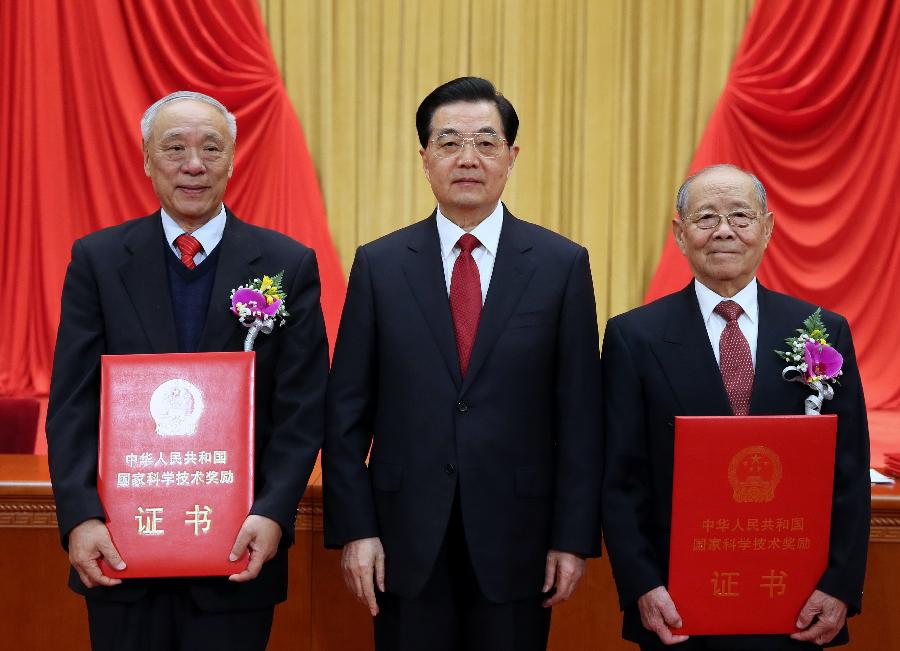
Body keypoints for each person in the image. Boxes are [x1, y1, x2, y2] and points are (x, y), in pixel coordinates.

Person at [323, 76, 603, 651]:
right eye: (448, 142)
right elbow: (345, 412)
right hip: (403, 542)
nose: (467, 158)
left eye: (485, 142)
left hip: (521, 541)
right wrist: (357, 529)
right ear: (424, 158)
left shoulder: (560, 265)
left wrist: (571, 538)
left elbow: (580, 415)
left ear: (511, 157)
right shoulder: (379, 266)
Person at [46, 90, 329, 650]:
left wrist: (273, 514)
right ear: (148, 160)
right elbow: (73, 403)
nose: (193, 165)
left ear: (232, 159)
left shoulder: (286, 264)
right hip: (121, 549)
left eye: (211, 148)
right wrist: (80, 518)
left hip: (236, 552)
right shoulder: (98, 261)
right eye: (174, 148)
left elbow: (302, 407)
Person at [601, 164, 870, 650]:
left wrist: (840, 587)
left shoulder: (820, 331)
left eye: (740, 216)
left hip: (797, 604)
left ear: (767, 228)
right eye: (705, 218)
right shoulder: (632, 338)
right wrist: (643, 585)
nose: (723, 230)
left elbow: (848, 471)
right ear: (680, 235)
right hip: (678, 605)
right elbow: (620, 478)